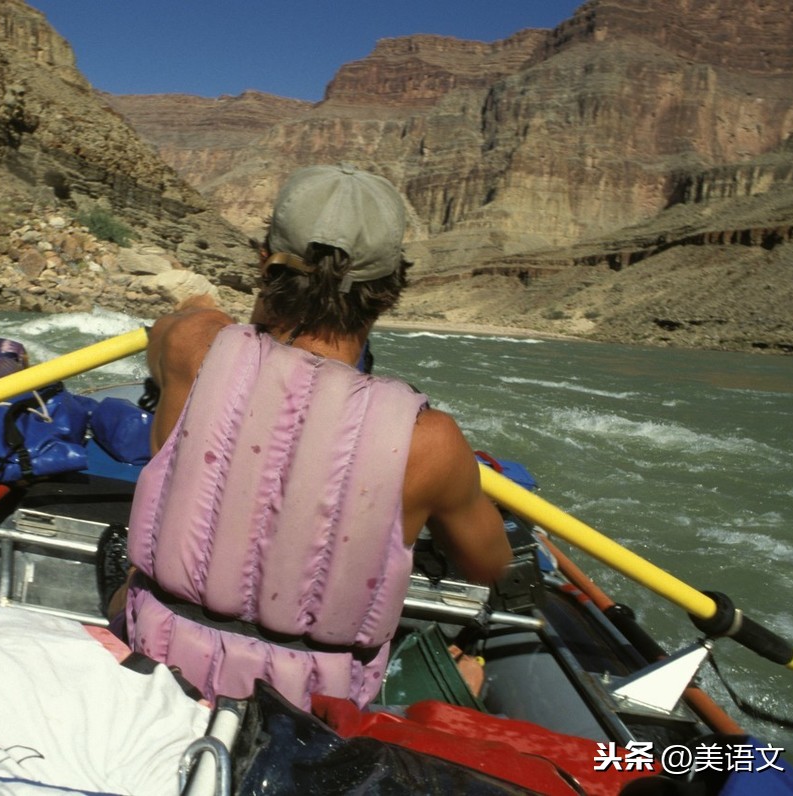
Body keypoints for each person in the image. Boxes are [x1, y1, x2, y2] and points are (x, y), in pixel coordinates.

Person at [124, 164, 512, 710]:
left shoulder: (191, 346)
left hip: (157, 669)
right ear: (391, 288)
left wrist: (258, 310)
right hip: (309, 716)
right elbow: (489, 570)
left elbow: (176, 331)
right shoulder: (433, 443)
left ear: (264, 261)